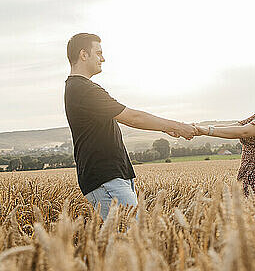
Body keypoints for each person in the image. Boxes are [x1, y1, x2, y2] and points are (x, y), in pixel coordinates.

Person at [64, 33, 196, 219]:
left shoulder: (79, 88)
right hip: (106, 178)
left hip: (113, 177)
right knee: (132, 241)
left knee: (131, 240)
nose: (103, 58)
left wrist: (164, 127)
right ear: (83, 54)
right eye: (99, 53)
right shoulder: (83, 89)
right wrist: (178, 126)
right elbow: (133, 117)